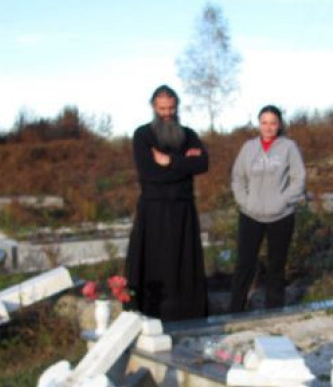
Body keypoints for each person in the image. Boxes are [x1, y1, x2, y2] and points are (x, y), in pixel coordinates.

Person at [124, 85, 209, 321]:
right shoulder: (143, 135)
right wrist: (184, 165)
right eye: (162, 109)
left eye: (171, 108)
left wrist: (169, 160)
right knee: (154, 264)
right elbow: (149, 174)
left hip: (183, 210)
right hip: (154, 210)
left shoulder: (189, 134)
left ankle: (185, 313)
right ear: (153, 107)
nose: (167, 113)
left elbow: (203, 164)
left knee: (183, 265)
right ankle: (150, 313)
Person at [229, 105, 306, 312]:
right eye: (264, 123)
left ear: (279, 124)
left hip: (281, 216)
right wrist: (244, 201)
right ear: (259, 124)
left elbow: (299, 178)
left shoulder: (289, 147)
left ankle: (274, 311)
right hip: (250, 215)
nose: (268, 127)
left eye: (273, 123)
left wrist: (284, 201)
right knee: (245, 264)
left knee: (276, 266)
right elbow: (237, 177)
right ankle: (235, 310)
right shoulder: (248, 148)